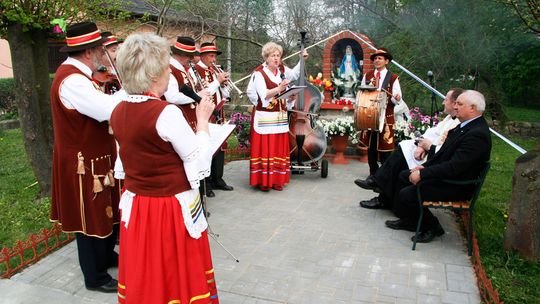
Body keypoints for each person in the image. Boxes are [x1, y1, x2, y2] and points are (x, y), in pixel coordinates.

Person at [110, 32, 218, 303]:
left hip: (139, 207)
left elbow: (127, 161)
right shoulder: (165, 112)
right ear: (156, 74)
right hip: (169, 208)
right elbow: (198, 161)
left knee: (147, 266)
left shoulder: (118, 110)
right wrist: (203, 121)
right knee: (174, 268)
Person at [49, 21, 124, 293]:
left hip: (97, 158)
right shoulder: (72, 80)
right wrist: (130, 92)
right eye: (102, 53)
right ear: (90, 52)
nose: (105, 59)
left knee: (105, 212)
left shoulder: (84, 76)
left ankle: (105, 257)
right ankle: (95, 277)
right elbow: (105, 110)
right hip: (83, 163)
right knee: (88, 217)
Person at [385, 90, 491, 243]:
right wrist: (424, 167)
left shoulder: (477, 134)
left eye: (459, 104)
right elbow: (443, 155)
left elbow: (455, 167)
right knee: (403, 176)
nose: (455, 107)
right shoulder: (464, 126)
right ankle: (411, 220)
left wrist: (424, 175)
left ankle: (432, 226)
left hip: (456, 185)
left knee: (407, 194)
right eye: (455, 103)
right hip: (449, 177)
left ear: (472, 108)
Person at [356, 88, 464, 210]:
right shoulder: (450, 118)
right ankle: (382, 192)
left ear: (455, 103)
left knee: (401, 159)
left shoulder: (457, 124)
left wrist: (426, 147)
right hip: (427, 152)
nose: (443, 102)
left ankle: (380, 188)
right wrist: (420, 145)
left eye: (446, 99)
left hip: (434, 160)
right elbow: (432, 133)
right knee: (403, 149)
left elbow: (443, 146)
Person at [246, 42, 303, 191]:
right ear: (266, 57)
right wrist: (280, 88)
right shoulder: (259, 73)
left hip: (279, 116)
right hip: (265, 117)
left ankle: (277, 180)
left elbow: (282, 92)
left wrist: (289, 97)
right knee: (266, 148)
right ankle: (264, 181)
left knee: (277, 147)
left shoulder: (281, 72)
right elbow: (263, 94)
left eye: (278, 55)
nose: (276, 59)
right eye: (273, 56)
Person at [194, 42, 233, 196]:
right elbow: (202, 92)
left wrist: (223, 85)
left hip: (218, 111)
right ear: (202, 56)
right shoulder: (196, 70)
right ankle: (207, 182)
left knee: (220, 145)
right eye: (211, 56)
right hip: (206, 114)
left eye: (215, 56)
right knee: (208, 146)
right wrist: (217, 81)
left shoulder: (213, 70)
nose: (214, 59)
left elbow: (226, 95)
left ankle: (218, 178)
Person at [358, 48, 404, 176]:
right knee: (371, 148)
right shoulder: (367, 76)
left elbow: (397, 99)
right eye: (375, 58)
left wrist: (396, 98)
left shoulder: (393, 77)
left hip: (385, 117)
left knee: (385, 149)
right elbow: (362, 93)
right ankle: (372, 174)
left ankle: (384, 177)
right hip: (369, 115)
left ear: (386, 61)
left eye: (380, 58)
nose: (377, 60)